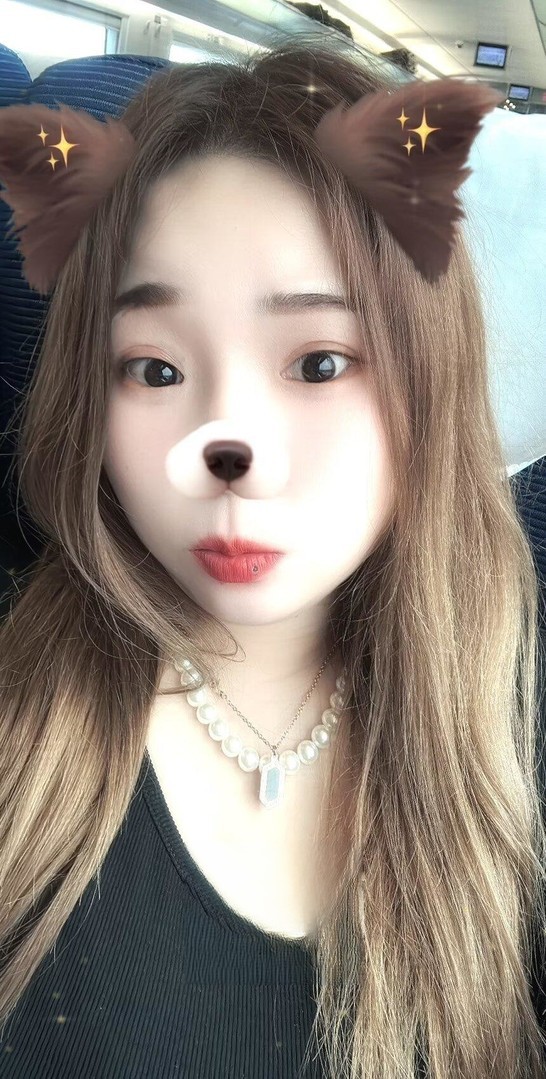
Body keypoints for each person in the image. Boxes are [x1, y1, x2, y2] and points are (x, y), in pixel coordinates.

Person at [0, 31, 544, 1079]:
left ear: (428, 379)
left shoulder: (512, 719)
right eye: (155, 370)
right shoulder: (24, 727)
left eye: (320, 362)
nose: (229, 450)